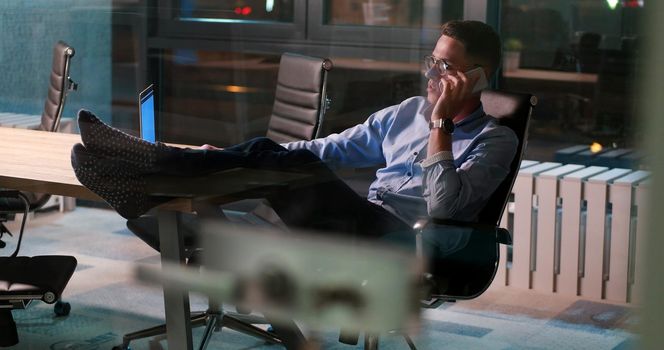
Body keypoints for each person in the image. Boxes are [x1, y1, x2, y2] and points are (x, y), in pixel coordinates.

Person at [71, 20, 516, 246]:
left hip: (407, 243)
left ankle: (154, 165)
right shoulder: (407, 112)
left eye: (448, 67)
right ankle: (152, 172)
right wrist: (236, 154)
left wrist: (441, 122)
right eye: (432, 61)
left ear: (478, 77)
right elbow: (328, 149)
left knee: (289, 163)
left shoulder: (495, 141)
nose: (433, 74)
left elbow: (444, 208)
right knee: (288, 158)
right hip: (360, 220)